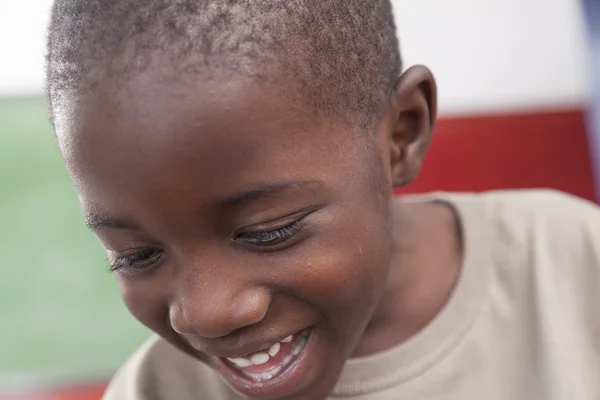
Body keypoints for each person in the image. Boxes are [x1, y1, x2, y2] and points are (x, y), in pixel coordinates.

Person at [45, 0, 600, 399]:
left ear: (401, 135)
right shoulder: (156, 390)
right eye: (135, 255)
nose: (205, 313)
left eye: (269, 230)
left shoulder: (574, 264)